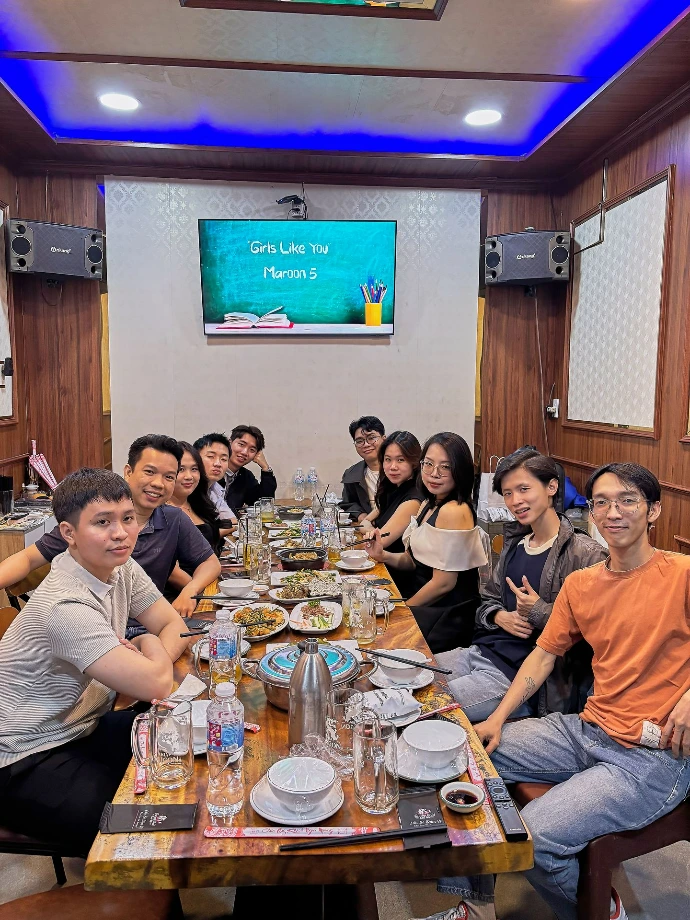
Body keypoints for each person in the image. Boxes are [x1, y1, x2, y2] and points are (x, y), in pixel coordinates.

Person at [419, 462, 690, 920]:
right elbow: (543, 656)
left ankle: (603, 912)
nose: (613, 512)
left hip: (653, 757)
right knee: (457, 755)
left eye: (627, 500)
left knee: (536, 837)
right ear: (591, 511)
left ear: (654, 511)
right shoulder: (583, 584)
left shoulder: (681, 573)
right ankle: (476, 907)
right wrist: (496, 719)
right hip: (588, 729)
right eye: (602, 502)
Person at [0, 468, 190, 855]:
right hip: (22, 754)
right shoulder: (64, 604)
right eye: (102, 522)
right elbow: (157, 683)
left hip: (79, 724)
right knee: (140, 826)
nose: (121, 533)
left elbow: (175, 625)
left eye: (127, 518)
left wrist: (149, 662)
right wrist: (148, 645)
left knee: (182, 741)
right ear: (69, 533)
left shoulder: (121, 567)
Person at [436, 449, 606, 722]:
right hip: (480, 651)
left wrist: (538, 610)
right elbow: (487, 599)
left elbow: (593, 634)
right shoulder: (516, 543)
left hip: (517, 676)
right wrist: (499, 616)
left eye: (524, 489)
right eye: (508, 493)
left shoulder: (585, 554)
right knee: (408, 678)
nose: (515, 501)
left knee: (427, 706)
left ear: (551, 487)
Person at [0, 434, 221, 617]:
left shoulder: (174, 519)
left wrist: (190, 591)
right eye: (149, 472)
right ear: (128, 472)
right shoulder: (94, 521)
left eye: (169, 477)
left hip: (150, 623)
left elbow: (210, 563)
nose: (158, 483)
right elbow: (28, 559)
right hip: (93, 627)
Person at [367, 432, 487, 654]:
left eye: (445, 467)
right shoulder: (429, 504)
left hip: (447, 614)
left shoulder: (454, 510)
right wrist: (383, 556)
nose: (434, 473)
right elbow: (413, 561)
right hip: (426, 601)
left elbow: (444, 584)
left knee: (375, 637)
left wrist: (404, 609)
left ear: (460, 470)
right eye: (428, 464)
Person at [360, 431, 422, 596]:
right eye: (388, 459)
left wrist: (368, 527)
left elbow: (380, 540)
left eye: (400, 460)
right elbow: (367, 521)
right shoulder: (392, 488)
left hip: (398, 580)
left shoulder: (413, 499)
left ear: (414, 462)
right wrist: (367, 526)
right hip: (382, 567)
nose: (392, 466)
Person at [196, 426, 276, 517]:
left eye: (252, 450)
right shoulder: (211, 472)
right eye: (241, 444)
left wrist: (265, 468)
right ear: (229, 443)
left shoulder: (245, 476)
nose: (244, 452)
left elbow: (264, 504)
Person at [167, 441, 222, 562]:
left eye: (194, 469)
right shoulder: (161, 513)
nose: (189, 476)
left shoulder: (200, 505)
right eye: (181, 469)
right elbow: (170, 567)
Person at [340, 415, 385, 521]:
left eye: (371, 438)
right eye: (360, 441)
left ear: (384, 439)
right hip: (367, 526)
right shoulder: (351, 474)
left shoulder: (396, 470)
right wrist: (362, 517)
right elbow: (348, 503)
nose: (366, 444)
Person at [193, 432, 237, 530]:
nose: (218, 463)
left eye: (224, 459)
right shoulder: (188, 488)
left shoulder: (215, 488)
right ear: (195, 458)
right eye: (210, 457)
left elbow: (232, 520)